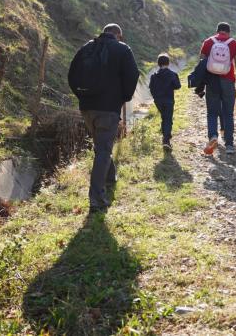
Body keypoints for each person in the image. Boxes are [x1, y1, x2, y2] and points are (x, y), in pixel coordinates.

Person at [68, 23, 139, 213]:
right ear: (118, 35)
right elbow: (133, 75)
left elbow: (71, 75)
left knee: (101, 146)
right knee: (103, 150)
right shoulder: (122, 49)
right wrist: (123, 97)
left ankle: (110, 178)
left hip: (87, 108)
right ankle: (97, 199)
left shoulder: (86, 48)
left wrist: (82, 96)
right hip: (108, 108)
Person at [200, 22, 236, 155]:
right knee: (228, 114)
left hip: (212, 81)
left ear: (217, 31)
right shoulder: (234, 44)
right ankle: (230, 145)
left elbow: (201, 64)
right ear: (228, 32)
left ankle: (213, 136)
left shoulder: (208, 42)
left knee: (212, 112)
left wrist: (201, 84)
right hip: (228, 81)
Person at [150, 53, 181, 151]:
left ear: (158, 64)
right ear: (168, 63)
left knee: (164, 117)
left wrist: (156, 97)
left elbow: (151, 88)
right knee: (168, 119)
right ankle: (166, 140)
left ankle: (165, 137)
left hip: (158, 101)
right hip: (169, 100)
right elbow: (178, 86)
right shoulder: (173, 74)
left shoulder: (154, 76)